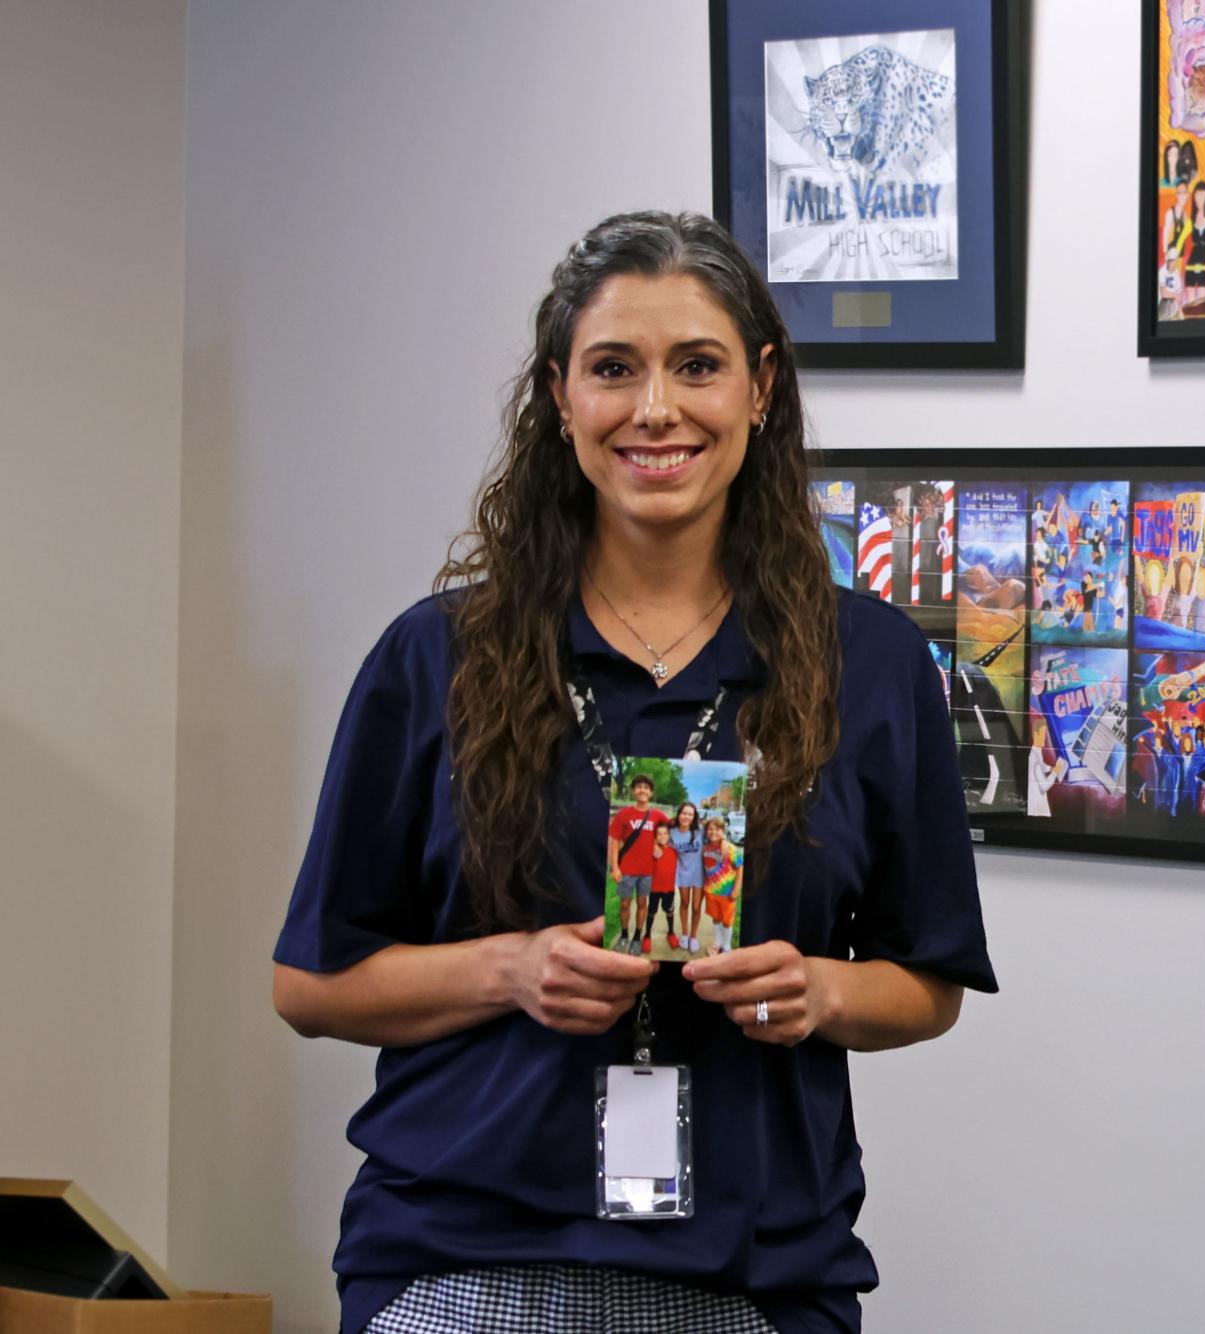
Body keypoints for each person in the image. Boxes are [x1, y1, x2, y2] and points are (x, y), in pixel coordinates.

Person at [272, 211, 995, 1334]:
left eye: (696, 366)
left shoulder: (875, 663)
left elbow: (929, 982)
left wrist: (821, 991)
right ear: (562, 399)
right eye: (614, 368)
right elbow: (313, 983)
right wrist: (509, 970)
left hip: (756, 1277)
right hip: (464, 1261)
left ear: (759, 389)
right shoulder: (438, 656)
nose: (656, 409)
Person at [607, 775, 665, 954]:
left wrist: (659, 843)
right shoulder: (623, 815)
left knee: (642, 903)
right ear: (633, 791)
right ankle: (624, 936)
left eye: (646, 788)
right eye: (639, 787)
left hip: (647, 871)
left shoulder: (657, 815)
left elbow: (671, 831)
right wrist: (615, 867)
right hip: (626, 870)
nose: (642, 790)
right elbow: (614, 841)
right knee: (625, 904)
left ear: (651, 793)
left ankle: (637, 938)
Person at [658, 800, 704, 954]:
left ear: (694, 816)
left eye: (690, 814)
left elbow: (716, 838)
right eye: (684, 813)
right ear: (679, 814)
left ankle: (693, 936)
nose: (687, 817)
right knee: (684, 902)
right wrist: (654, 845)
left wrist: (724, 841)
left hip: (699, 873)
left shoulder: (700, 831)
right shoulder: (671, 833)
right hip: (683, 872)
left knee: (696, 907)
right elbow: (659, 840)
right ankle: (684, 934)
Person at [698, 815, 742, 955]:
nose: (713, 832)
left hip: (727, 893)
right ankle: (717, 943)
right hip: (711, 891)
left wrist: (736, 889)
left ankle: (726, 946)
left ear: (723, 830)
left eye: (717, 829)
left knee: (727, 920)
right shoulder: (705, 849)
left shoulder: (730, 848)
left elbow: (740, 867)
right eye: (710, 829)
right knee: (716, 918)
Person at [1182, 180, 1205, 305]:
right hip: (1190, 266)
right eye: (1196, 195)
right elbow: (1180, 240)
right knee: (1190, 305)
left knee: (1203, 305)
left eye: (1202, 195)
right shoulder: (1190, 221)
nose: (1199, 198)